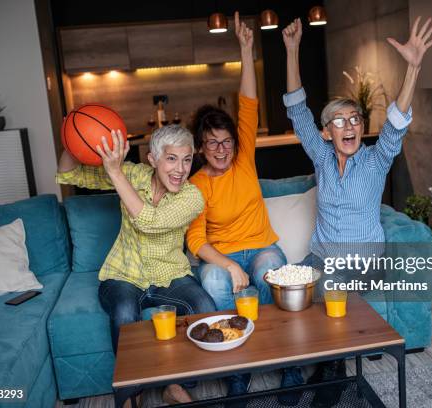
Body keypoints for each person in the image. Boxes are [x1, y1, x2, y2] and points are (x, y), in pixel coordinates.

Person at [282, 16, 432, 408]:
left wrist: (413, 66)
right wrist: (291, 49)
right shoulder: (319, 156)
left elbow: (397, 124)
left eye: (355, 119)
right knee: (288, 288)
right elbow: (297, 108)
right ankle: (298, 367)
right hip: (322, 254)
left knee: (326, 285)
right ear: (327, 132)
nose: (349, 125)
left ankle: (332, 371)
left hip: (362, 258)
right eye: (339, 121)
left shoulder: (375, 161)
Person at [185, 11, 300, 406]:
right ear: (200, 148)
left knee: (271, 271)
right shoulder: (196, 184)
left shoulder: (244, 159)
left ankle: (288, 363)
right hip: (224, 254)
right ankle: (238, 370)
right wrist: (230, 265)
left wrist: (246, 48)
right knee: (216, 282)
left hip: (262, 245)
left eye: (226, 141)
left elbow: (248, 104)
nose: (221, 149)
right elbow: (196, 239)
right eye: (212, 143)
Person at [56, 125, 216, 405]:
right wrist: (73, 133)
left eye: (187, 159)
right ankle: (132, 395)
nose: (180, 169)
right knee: (123, 309)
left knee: (203, 306)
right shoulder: (132, 173)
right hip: (123, 274)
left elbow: (150, 223)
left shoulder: (192, 197)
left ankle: (177, 384)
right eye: (171, 158)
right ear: (152, 160)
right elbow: (70, 173)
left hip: (170, 274)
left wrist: (115, 173)